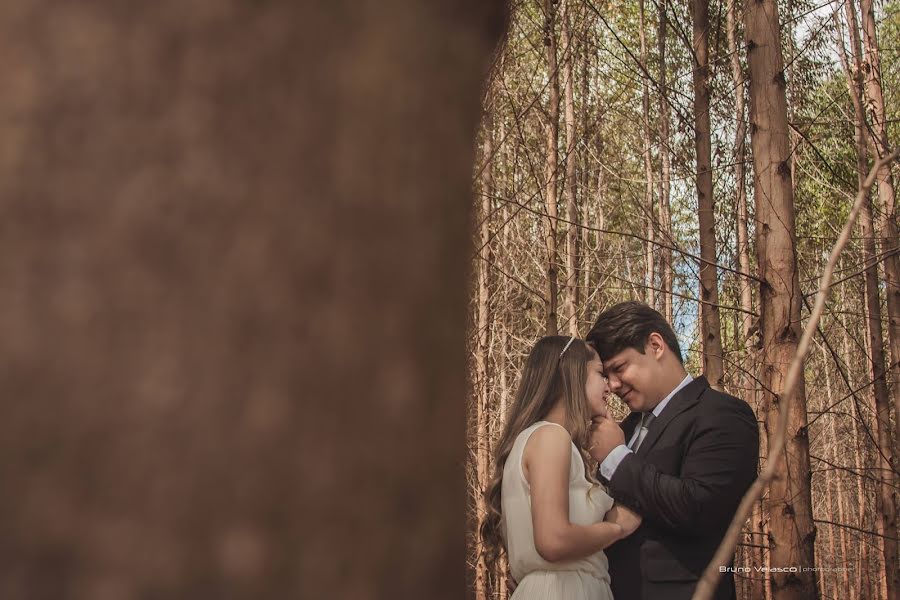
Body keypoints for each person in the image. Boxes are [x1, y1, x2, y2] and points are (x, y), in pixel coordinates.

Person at [586, 301, 759, 600]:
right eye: (606, 375)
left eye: (619, 368)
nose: (612, 385)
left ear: (655, 345)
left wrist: (615, 458)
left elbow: (699, 508)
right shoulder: (622, 431)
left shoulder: (723, 414)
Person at [480, 335, 642, 600]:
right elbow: (553, 541)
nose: (609, 386)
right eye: (600, 373)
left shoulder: (542, 439)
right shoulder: (551, 437)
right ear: (571, 374)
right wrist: (618, 528)